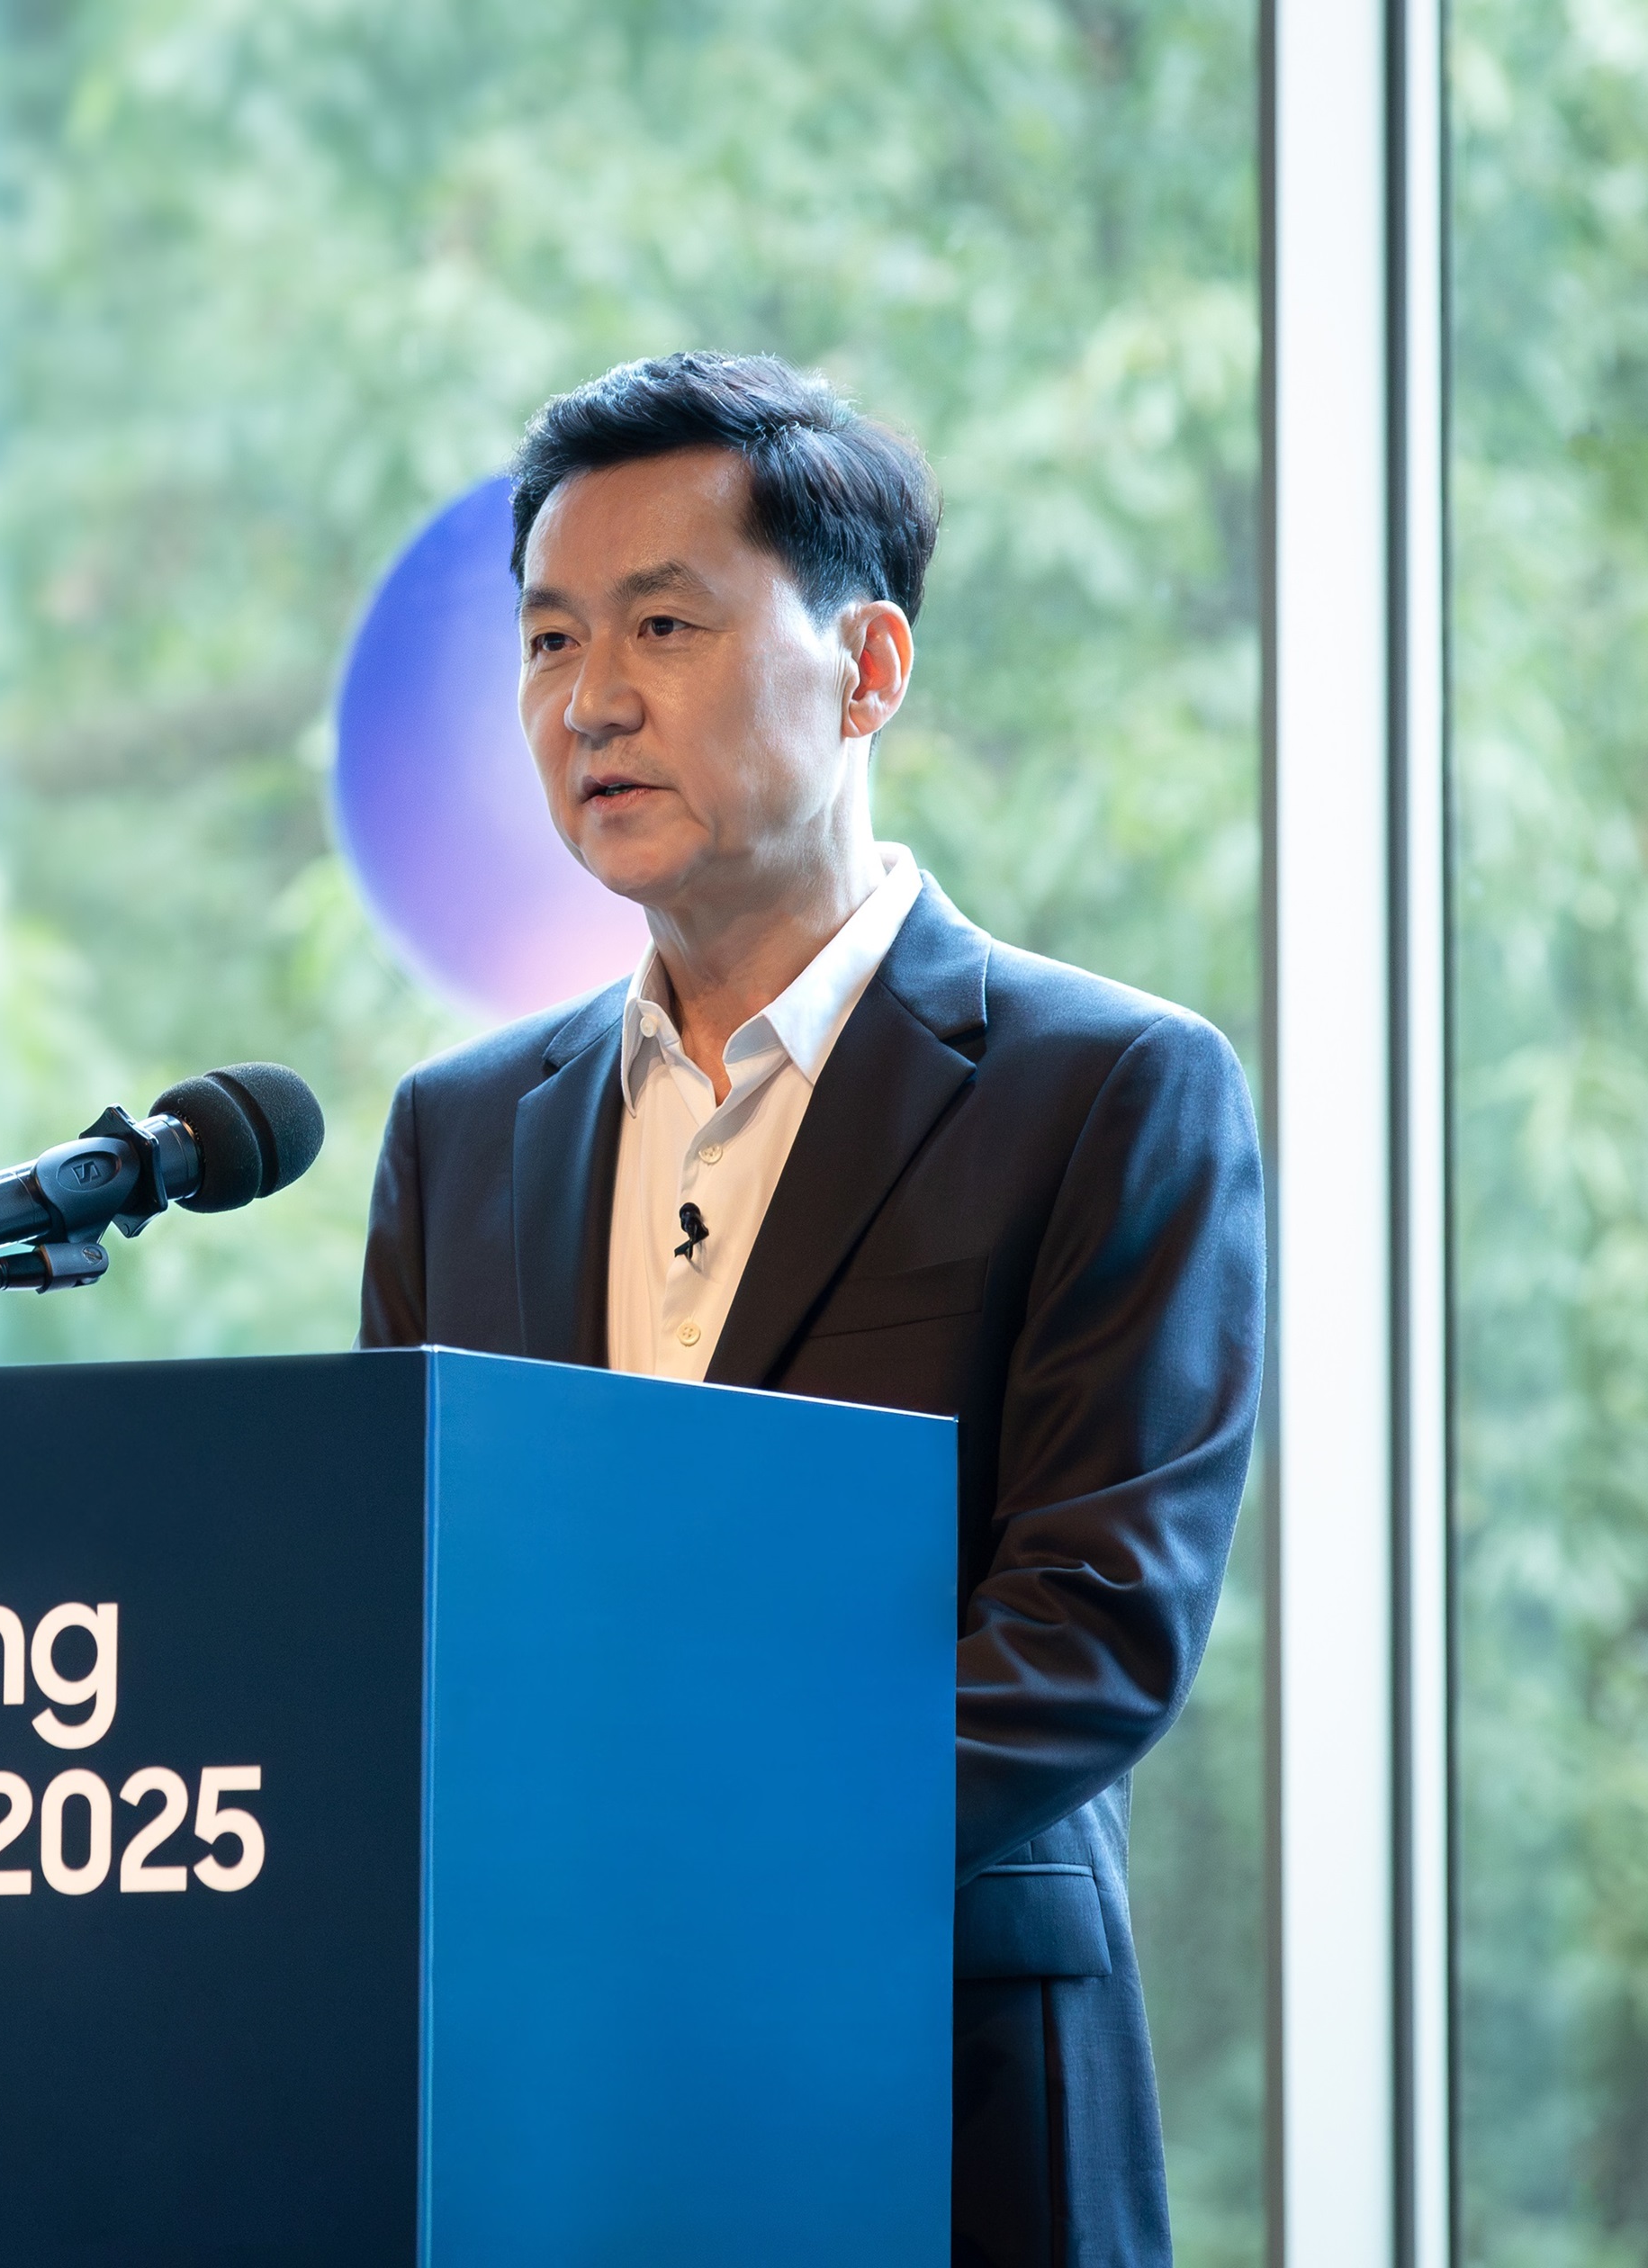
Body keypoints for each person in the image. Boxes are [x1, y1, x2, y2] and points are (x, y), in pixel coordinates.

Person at [357, 352, 1264, 2267]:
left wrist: (668, 1857)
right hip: (541, 2098)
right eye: (546, 640)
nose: (589, 701)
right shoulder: (461, 1132)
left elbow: (1090, 1630)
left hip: (940, 2080)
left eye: (663, 626)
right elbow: (408, 1616)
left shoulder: (1103, 1087)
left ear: (869, 670)